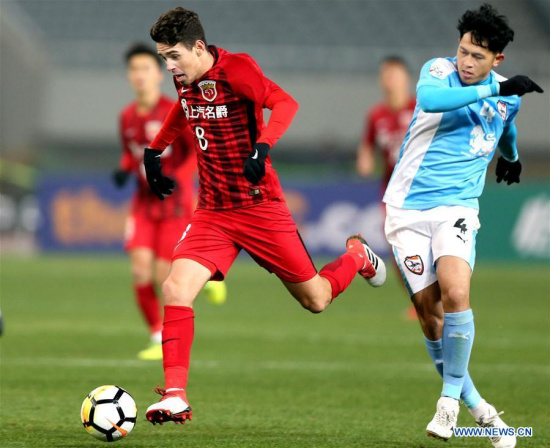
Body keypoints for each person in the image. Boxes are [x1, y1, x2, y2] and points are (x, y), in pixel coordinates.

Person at [140, 7, 386, 425]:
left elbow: (284, 102)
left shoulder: (237, 69)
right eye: (164, 57)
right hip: (213, 211)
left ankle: (357, 257)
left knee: (316, 300)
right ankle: (176, 395)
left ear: (199, 48)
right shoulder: (186, 81)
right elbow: (184, 110)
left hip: (259, 207)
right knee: (175, 288)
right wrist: (154, 150)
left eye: (174, 56)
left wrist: (264, 145)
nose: (169, 66)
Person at [383, 4, 543, 447]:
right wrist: (495, 88)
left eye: (477, 56)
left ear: (498, 59)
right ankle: (484, 412)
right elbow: (432, 101)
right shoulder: (439, 71)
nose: (466, 63)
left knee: (456, 292)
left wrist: (510, 156)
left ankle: (448, 401)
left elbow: (505, 123)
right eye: (463, 52)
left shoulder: (506, 93)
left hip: (456, 208)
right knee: (430, 317)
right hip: (407, 211)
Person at [114, 43, 227, 361]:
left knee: (163, 275)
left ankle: (206, 275)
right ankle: (156, 335)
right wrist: (123, 170)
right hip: (143, 205)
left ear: (158, 74)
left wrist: (178, 174)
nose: (139, 75)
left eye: (146, 68)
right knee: (140, 271)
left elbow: (195, 151)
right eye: (134, 69)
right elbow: (129, 152)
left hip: (175, 204)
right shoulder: (126, 117)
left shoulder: (175, 109)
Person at [356, 56, 417, 320]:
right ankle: (417, 301)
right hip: (392, 194)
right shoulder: (376, 114)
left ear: (407, 78)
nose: (389, 80)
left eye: (394, 74)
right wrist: (365, 157)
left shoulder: (420, 108)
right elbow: (367, 145)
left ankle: (443, 294)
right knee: (398, 251)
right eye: (385, 75)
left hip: (423, 190)